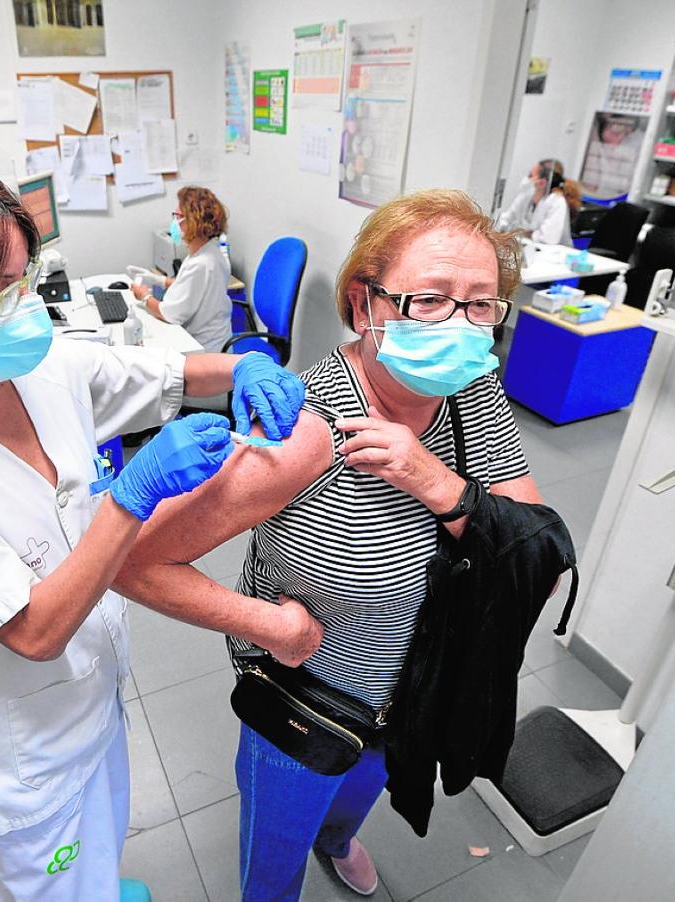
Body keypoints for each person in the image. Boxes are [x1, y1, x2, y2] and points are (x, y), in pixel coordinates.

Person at [0, 143, 321, 902]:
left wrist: (241, 368)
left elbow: (171, 375)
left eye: (24, 280)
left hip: (99, 695)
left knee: (103, 848)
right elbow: (36, 632)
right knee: (58, 880)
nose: (21, 309)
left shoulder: (41, 368)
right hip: (30, 749)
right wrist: (129, 498)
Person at [118, 189, 548, 901]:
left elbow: (534, 552)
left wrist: (437, 483)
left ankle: (338, 837)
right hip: (309, 701)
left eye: (481, 304)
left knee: (357, 797)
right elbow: (135, 562)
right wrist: (270, 625)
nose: (463, 326)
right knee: (273, 859)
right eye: (432, 299)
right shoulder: (306, 433)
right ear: (363, 305)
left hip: (414, 690)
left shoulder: (472, 391)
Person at [130, 186, 233, 352]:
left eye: (178, 216)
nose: (174, 223)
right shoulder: (209, 251)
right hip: (214, 338)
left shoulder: (201, 263)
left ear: (193, 221)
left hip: (203, 349)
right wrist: (160, 280)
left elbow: (170, 314)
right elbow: (192, 288)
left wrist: (144, 296)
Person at [497, 158, 576, 246]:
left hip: (554, 254)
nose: (527, 179)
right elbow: (506, 219)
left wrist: (519, 232)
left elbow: (548, 239)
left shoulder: (557, 202)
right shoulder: (527, 195)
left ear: (542, 183)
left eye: (531, 175)